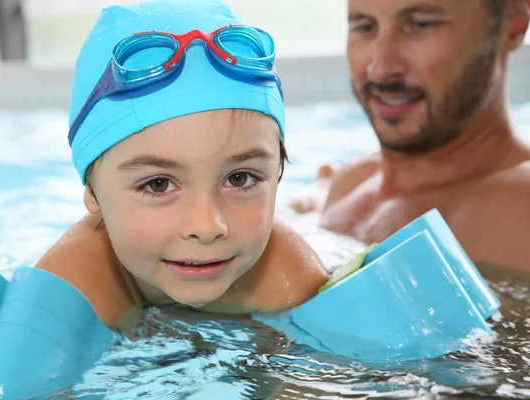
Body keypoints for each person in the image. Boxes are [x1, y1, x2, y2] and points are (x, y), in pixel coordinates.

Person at [35, 0, 328, 329]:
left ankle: (321, 193)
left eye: (240, 178)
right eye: (158, 184)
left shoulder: (286, 277)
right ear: (92, 192)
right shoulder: (71, 286)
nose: (207, 227)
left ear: (278, 175)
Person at [304, 0, 530, 271]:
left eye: (421, 24)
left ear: (513, 24)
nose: (381, 69)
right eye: (365, 27)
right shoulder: (351, 182)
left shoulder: (521, 211)